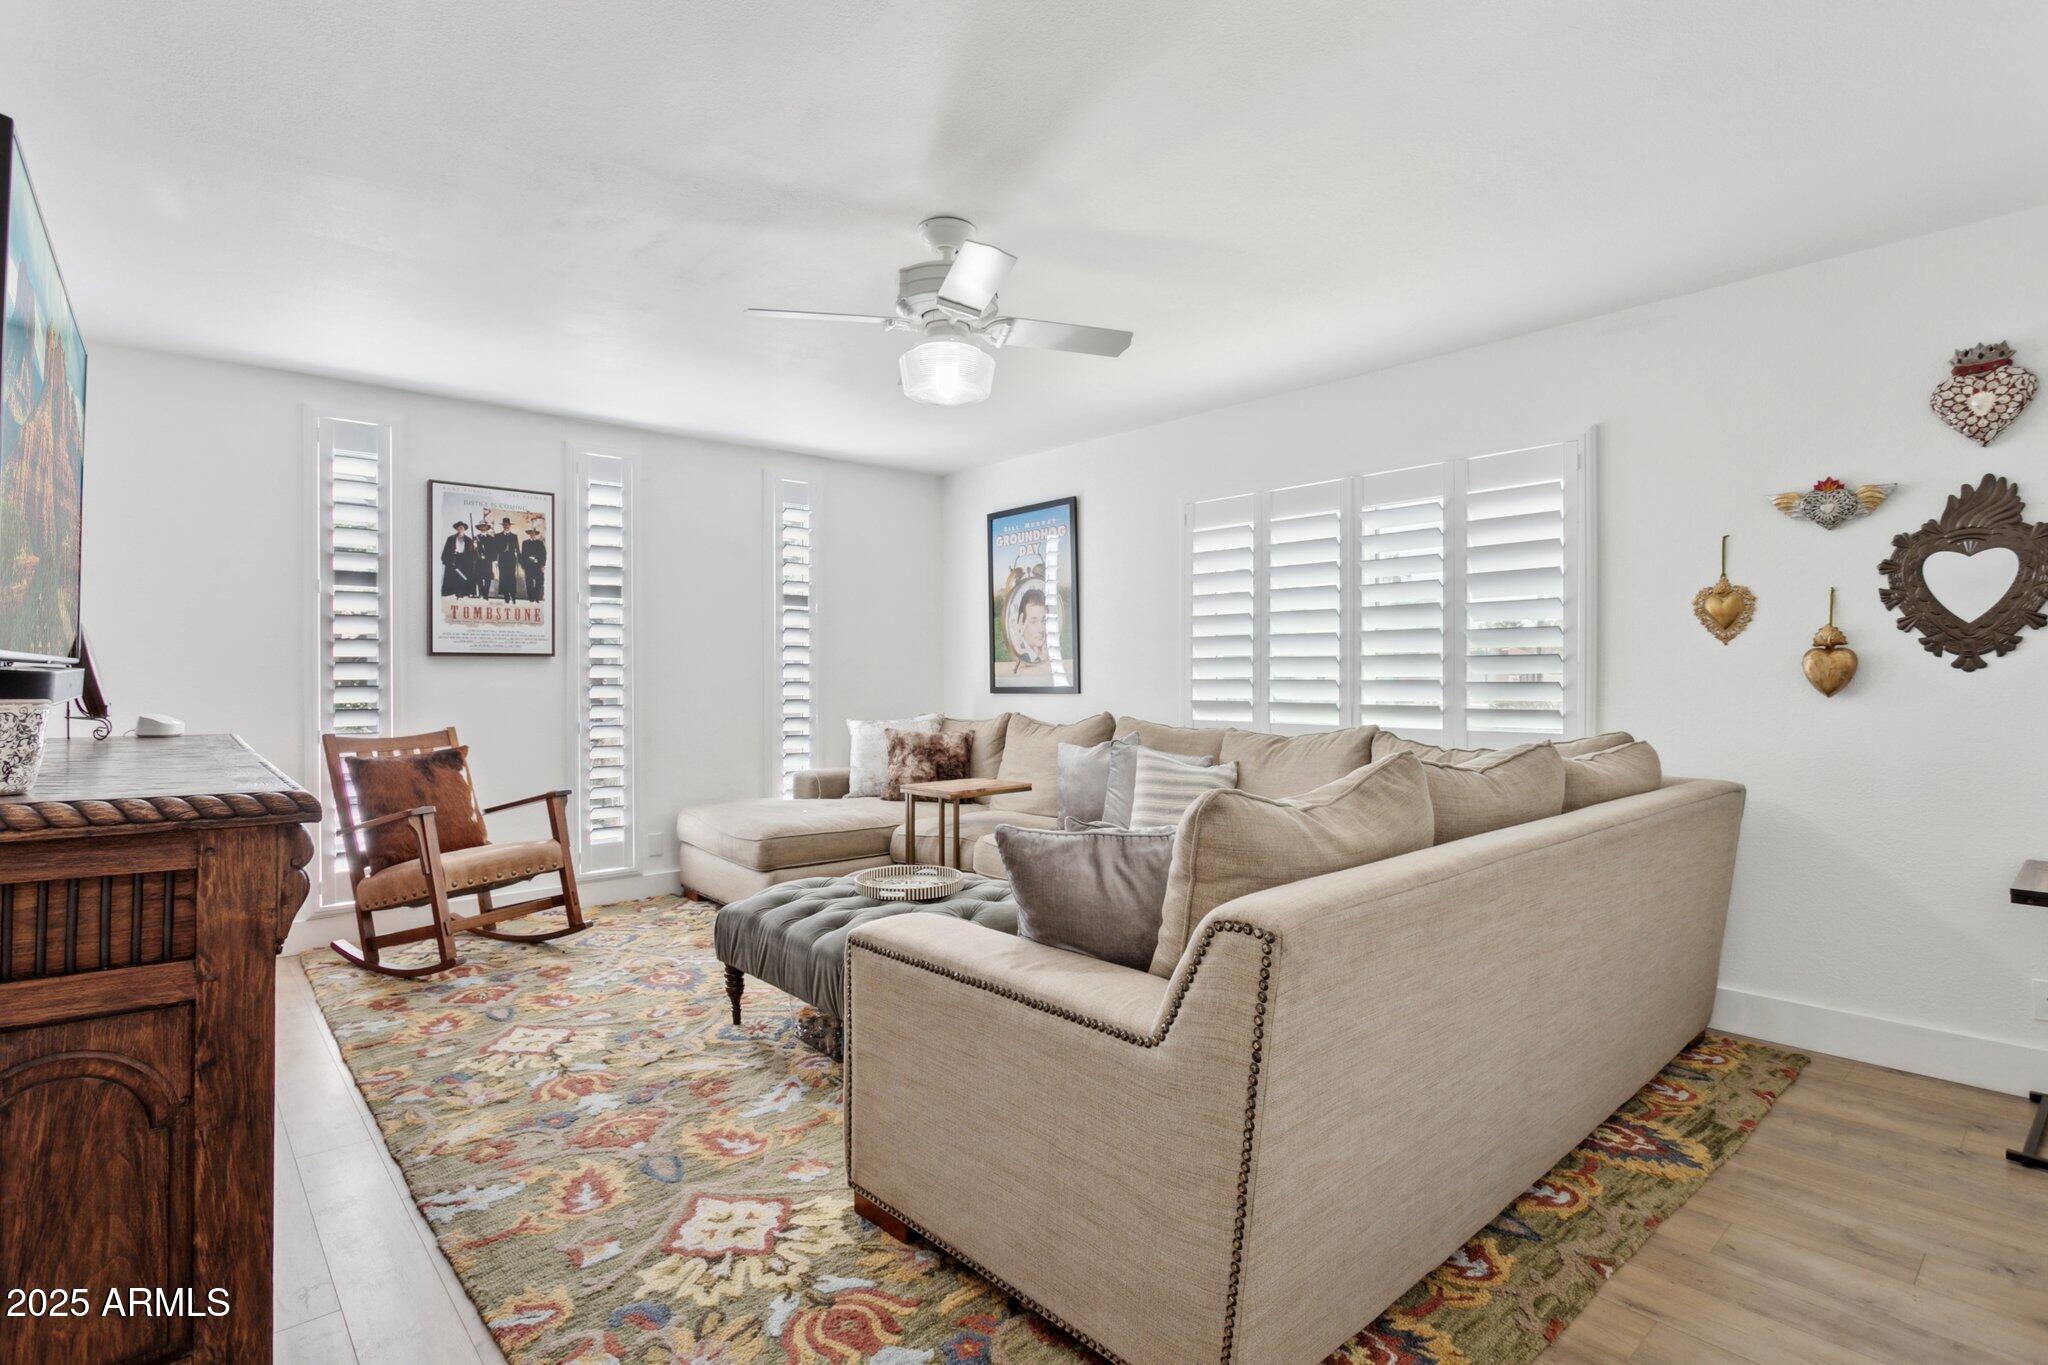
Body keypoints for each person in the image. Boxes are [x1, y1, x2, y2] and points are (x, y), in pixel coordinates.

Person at [439, 521, 474, 598]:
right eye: (459, 528)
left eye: (462, 528)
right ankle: (451, 592)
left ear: (464, 529)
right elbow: (446, 550)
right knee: (452, 576)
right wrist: (446, 560)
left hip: (463, 560)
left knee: (462, 576)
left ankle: (462, 593)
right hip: (453, 559)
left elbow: (471, 553)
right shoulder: (451, 538)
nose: (460, 529)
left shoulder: (469, 540)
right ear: (457, 529)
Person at [493, 517, 520, 601]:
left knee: (511, 577)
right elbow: (495, 549)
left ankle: (513, 595)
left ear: (510, 526)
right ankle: (506, 595)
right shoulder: (498, 536)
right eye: (504, 525)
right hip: (502, 560)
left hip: (512, 560)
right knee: (503, 577)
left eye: (507, 525)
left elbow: (518, 549)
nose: (506, 526)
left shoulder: (514, 536)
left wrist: (518, 559)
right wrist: (495, 560)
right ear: (503, 526)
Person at [519, 524, 548, 603]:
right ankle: (531, 598)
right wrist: (523, 565)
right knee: (529, 582)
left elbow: (543, 554)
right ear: (529, 534)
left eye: (534, 533)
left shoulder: (540, 543)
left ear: (535, 534)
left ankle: (536, 597)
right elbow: (523, 555)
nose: (532, 534)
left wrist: (542, 565)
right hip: (529, 566)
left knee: (539, 581)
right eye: (531, 533)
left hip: (538, 566)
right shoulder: (525, 543)